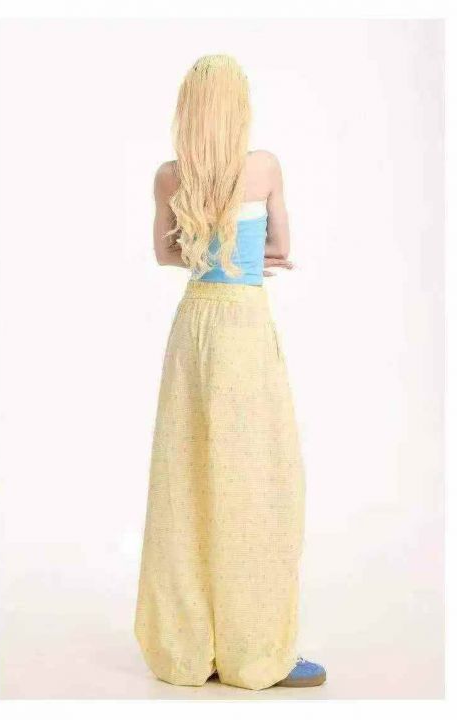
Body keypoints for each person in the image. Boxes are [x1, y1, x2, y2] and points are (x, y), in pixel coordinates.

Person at [134, 54, 326, 691]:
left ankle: (191, 647)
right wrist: (248, 256)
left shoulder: (170, 176)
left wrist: (205, 250)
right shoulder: (264, 167)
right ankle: (255, 649)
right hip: (243, 323)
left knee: (187, 476)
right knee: (256, 479)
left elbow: (165, 253)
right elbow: (280, 249)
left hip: (195, 324)